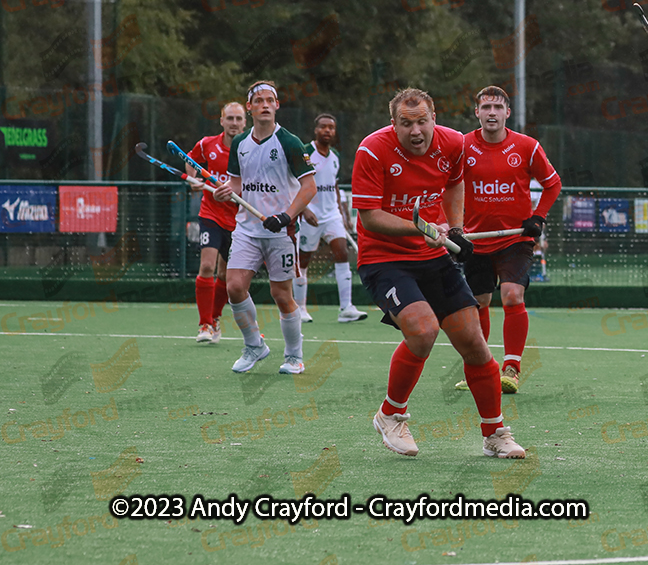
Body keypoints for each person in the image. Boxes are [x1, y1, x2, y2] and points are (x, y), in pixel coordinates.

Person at [352, 87, 525, 459]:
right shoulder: (371, 150)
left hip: (432, 255)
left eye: (422, 122)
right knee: (424, 330)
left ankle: (494, 433)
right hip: (383, 259)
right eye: (406, 123)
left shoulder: (453, 144)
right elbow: (370, 217)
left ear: (435, 117)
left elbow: (454, 183)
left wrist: (455, 227)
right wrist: (422, 229)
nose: (416, 132)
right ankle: (391, 414)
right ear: (393, 123)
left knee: (475, 345)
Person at [454, 86, 561, 394]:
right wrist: (454, 226)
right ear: (477, 113)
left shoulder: (527, 146)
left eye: (497, 107)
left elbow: (553, 185)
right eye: (485, 106)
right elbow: (446, 185)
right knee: (479, 303)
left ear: (507, 113)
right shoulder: (461, 146)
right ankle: (480, 367)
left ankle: (511, 369)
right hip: (475, 239)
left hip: (516, 238)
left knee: (512, 295)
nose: (491, 112)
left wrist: (538, 217)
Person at [213, 81, 316, 375]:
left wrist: (286, 216)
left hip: (280, 231)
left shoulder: (290, 142)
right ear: (250, 108)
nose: (265, 105)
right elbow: (236, 183)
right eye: (259, 100)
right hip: (247, 229)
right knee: (234, 286)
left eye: (270, 100)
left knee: (282, 295)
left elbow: (309, 187)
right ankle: (254, 345)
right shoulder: (240, 144)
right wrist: (227, 191)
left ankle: (294, 356)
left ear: (277, 105)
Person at [293, 113, 367, 323]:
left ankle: (346, 308)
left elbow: (333, 185)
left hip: (331, 215)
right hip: (310, 216)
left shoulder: (334, 155)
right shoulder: (306, 152)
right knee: (303, 261)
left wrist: (342, 214)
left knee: (342, 253)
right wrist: (304, 210)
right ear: (316, 130)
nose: (327, 131)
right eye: (323, 127)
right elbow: (294, 182)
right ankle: (300, 308)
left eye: (331, 128)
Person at [187, 102, 246, 343]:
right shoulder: (207, 144)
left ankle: (215, 317)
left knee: (225, 274)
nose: (234, 123)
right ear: (221, 121)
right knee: (207, 267)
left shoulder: (250, 148)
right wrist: (193, 180)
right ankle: (204, 325)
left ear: (245, 122)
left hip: (239, 219)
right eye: (229, 118)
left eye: (238, 119)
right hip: (210, 214)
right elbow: (191, 160)